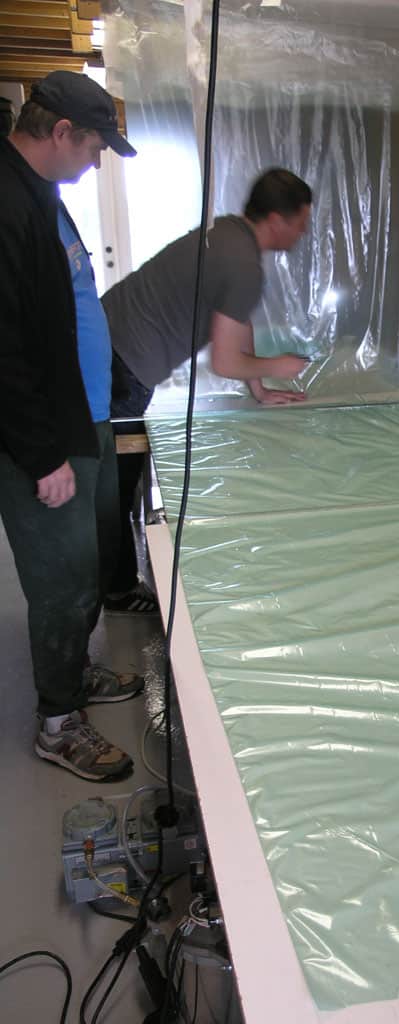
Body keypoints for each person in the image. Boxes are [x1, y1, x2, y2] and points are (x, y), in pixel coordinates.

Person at [0, 70, 143, 781]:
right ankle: (58, 726)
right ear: (61, 132)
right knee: (61, 581)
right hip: (45, 439)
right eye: (93, 148)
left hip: (81, 418)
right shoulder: (7, 203)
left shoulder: (40, 195)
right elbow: (3, 346)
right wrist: (41, 453)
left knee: (86, 568)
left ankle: (76, 675)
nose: (94, 163)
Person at [102, 168, 313, 613]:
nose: (303, 232)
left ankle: (116, 574)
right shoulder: (244, 264)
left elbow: (237, 317)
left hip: (112, 341)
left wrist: (259, 387)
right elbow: (224, 361)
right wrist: (279, 365)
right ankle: (117, 590)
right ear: (278, 219)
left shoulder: (229, 233)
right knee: (113, 483)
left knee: (120, 474)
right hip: (124, 363)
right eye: (301, 222)